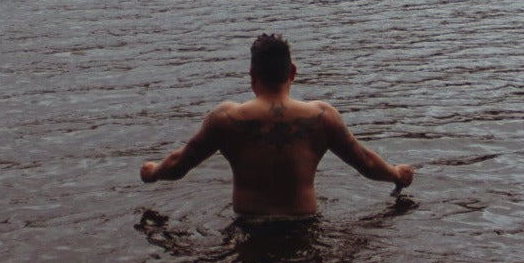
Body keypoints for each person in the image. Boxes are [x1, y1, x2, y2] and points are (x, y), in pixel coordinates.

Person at [140, 34, 413, 218]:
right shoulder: (322, 116)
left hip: (248, 227)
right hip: (304, 227)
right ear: (292, 72)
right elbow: (365, 162)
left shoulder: (226, 119)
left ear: (252, 76)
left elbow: (179, 164)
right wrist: (397, 174)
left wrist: (153, 172)